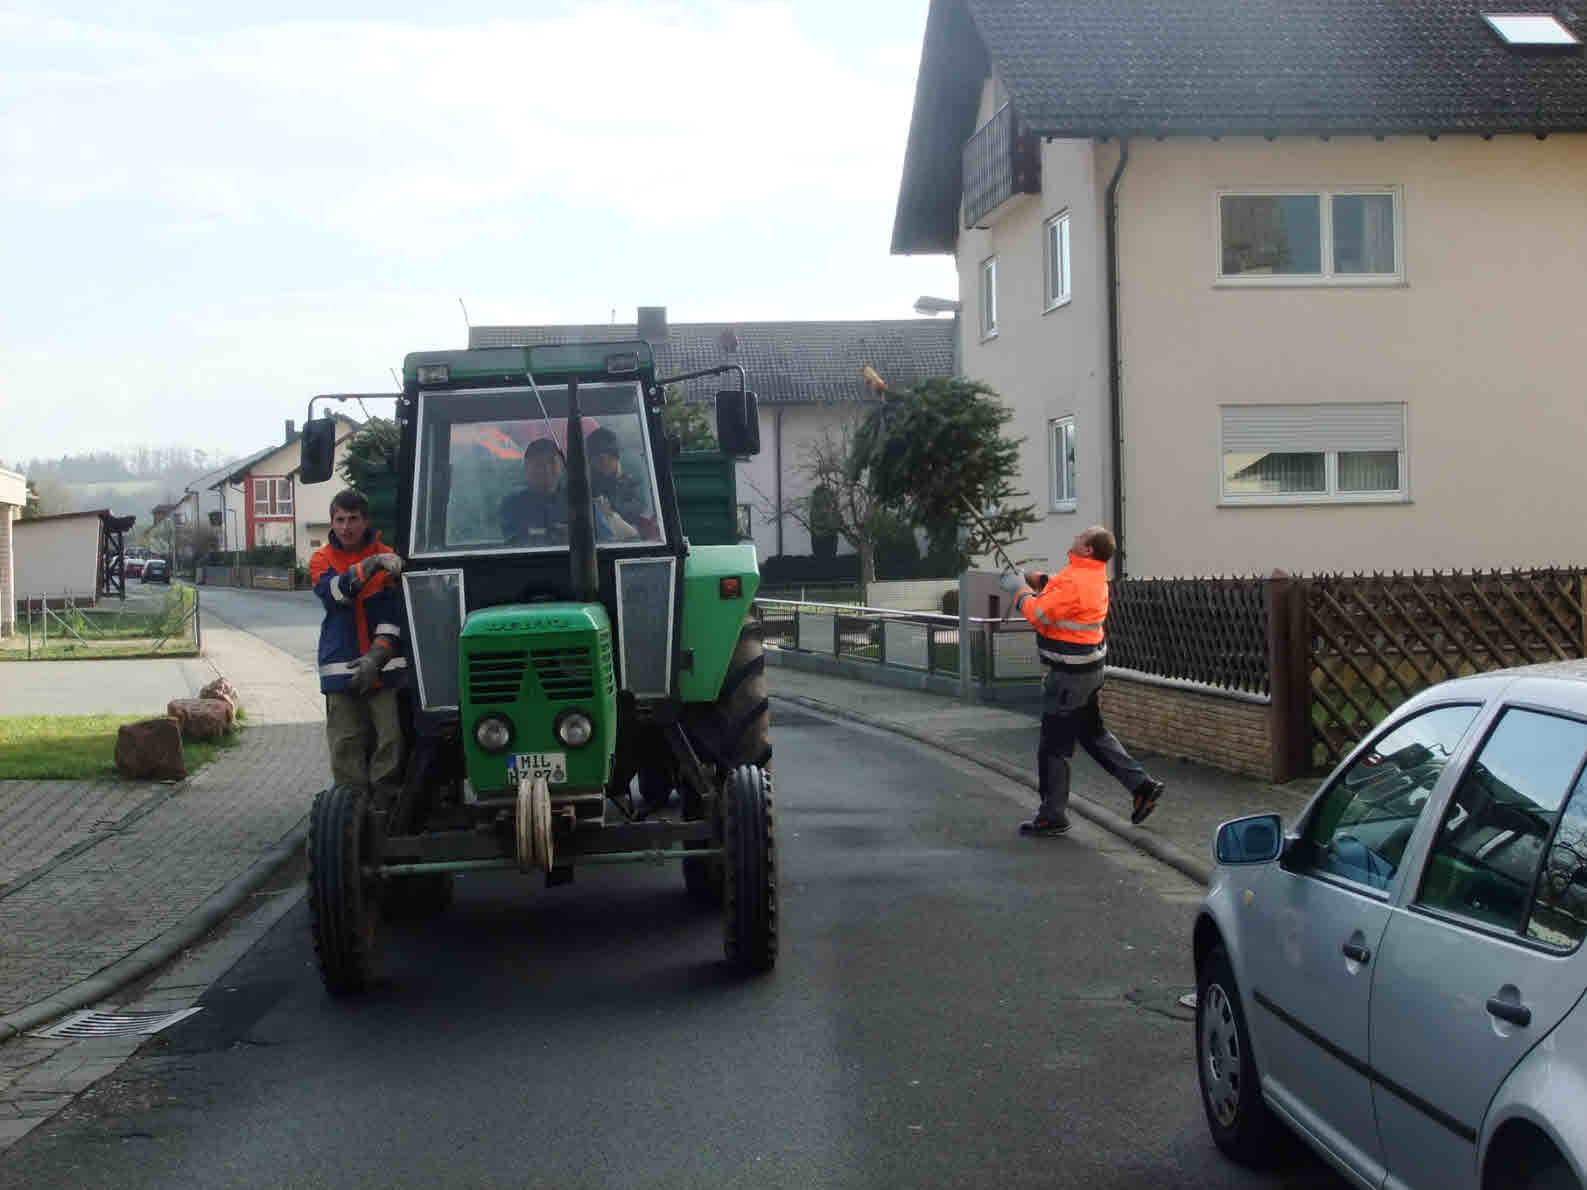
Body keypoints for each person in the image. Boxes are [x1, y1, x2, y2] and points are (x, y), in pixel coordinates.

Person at [1000, 526, 1164, 836]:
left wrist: (1018, 590)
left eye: (1081, 537)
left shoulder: (1077, 580)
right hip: (1088, 671)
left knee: (1053, 747)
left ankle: (1052, 815)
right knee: (1092, 733)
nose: (1075, 537)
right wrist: (1035, 579)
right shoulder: (1091, 573)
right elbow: (1060, 589)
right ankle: (1142, 787)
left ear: (1088, 549)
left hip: (1068, 677)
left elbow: (1039, 615)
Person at [309, 488, 408, 800]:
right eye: (340, 520)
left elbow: (392, 616)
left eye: (353, 519)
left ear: (366, 521)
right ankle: (349, 807)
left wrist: (376, 656)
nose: (346, 527)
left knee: (390, 740)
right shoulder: (322, 559)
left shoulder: (389, 557)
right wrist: (371, 564)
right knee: (345, 743)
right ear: (332, 522)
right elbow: (336, 594)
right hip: (341, 668)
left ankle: (385, 806)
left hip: (385, 669)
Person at [500, 437, 570, 546]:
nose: (546, 469)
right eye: (538, 464)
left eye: (552, 462)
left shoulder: (578, 501)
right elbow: (510, 543)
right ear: (526, 468)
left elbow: (598, 538)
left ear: (561, 465)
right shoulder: (513, 504)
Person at [585, 427, 647, 540]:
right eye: (595, 460)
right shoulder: (589, 478)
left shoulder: (632, 474)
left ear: (615, 456)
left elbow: (641, 505)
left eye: (604, 459)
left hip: (631, 533)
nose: (601, 464)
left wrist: (612, 506)